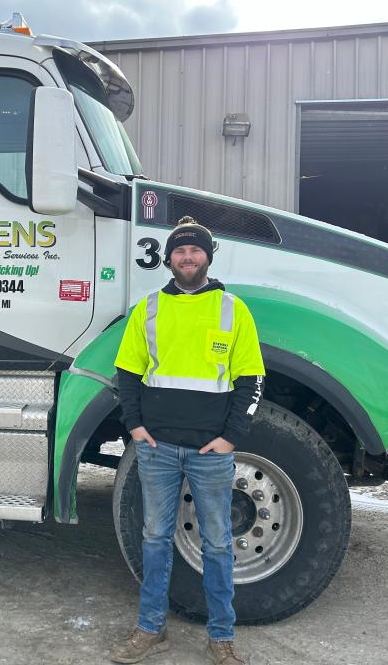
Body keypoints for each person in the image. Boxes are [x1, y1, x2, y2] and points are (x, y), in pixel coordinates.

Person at [108, 216, 265, 665]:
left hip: (209, 452)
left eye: (195, 250)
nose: (187, 257)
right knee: (155, 538)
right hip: (156, 448)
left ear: (207, 257)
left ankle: (221, 637)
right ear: (169, 258)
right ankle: (150, 628)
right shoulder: (149, 308)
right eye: (180, 250)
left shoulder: (233, 309)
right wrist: (136, 429)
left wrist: (231, 437)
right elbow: (128, 372)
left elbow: (251, 380)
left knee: (217, 544)